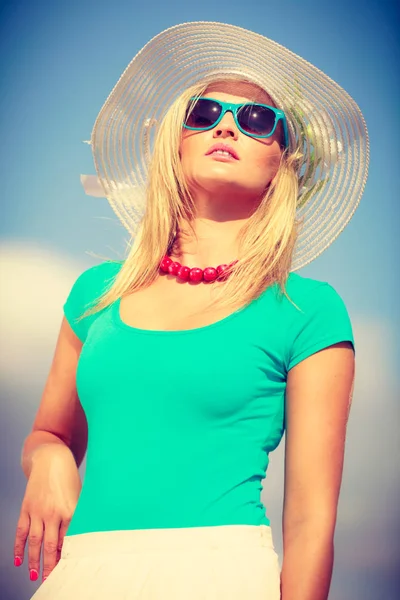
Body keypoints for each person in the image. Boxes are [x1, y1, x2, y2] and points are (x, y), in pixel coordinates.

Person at [14, 21, 368, 600]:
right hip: (81, 573)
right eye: (203, 113)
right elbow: (48, 432)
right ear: (173, 141)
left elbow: (309, 522)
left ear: (283, 160)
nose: (226, 124)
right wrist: (48, 457)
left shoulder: (308, 311)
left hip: (218, 572)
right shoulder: (95, 294)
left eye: (256, 120)